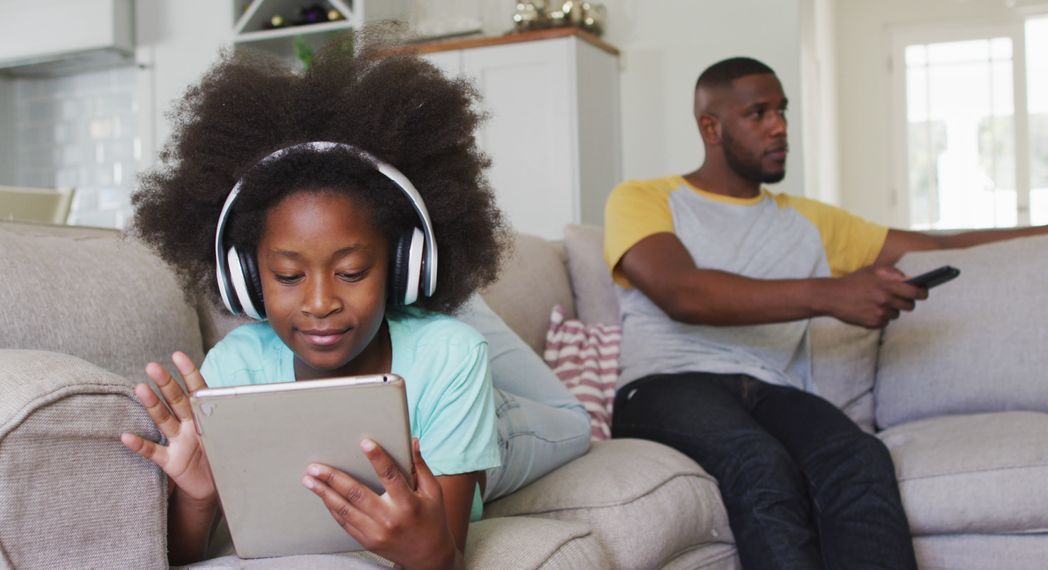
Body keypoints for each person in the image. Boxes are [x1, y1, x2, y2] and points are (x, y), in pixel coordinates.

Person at [119, 36, 590, 567]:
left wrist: (430, 550)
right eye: (288, 274)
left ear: (401, 266)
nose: (320, 302)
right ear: (247, 275)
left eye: (351, 272)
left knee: (576, 423)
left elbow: (448, 557)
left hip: (486, 418)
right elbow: (183, 558)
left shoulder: (451, 357)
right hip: (421, 357)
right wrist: (197, 498)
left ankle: (447, 303)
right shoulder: (232, 369)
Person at [604, 56, 1048, 570]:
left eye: (783, 111)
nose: (780, 127)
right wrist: (832, 295)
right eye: (758, 113)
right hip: (664, 385)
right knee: (760, 464)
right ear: (711, 126)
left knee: (859, 459)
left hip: (770, 390)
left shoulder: (810, 221)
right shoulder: (644, 198)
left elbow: (935, 242)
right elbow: (681, 291)